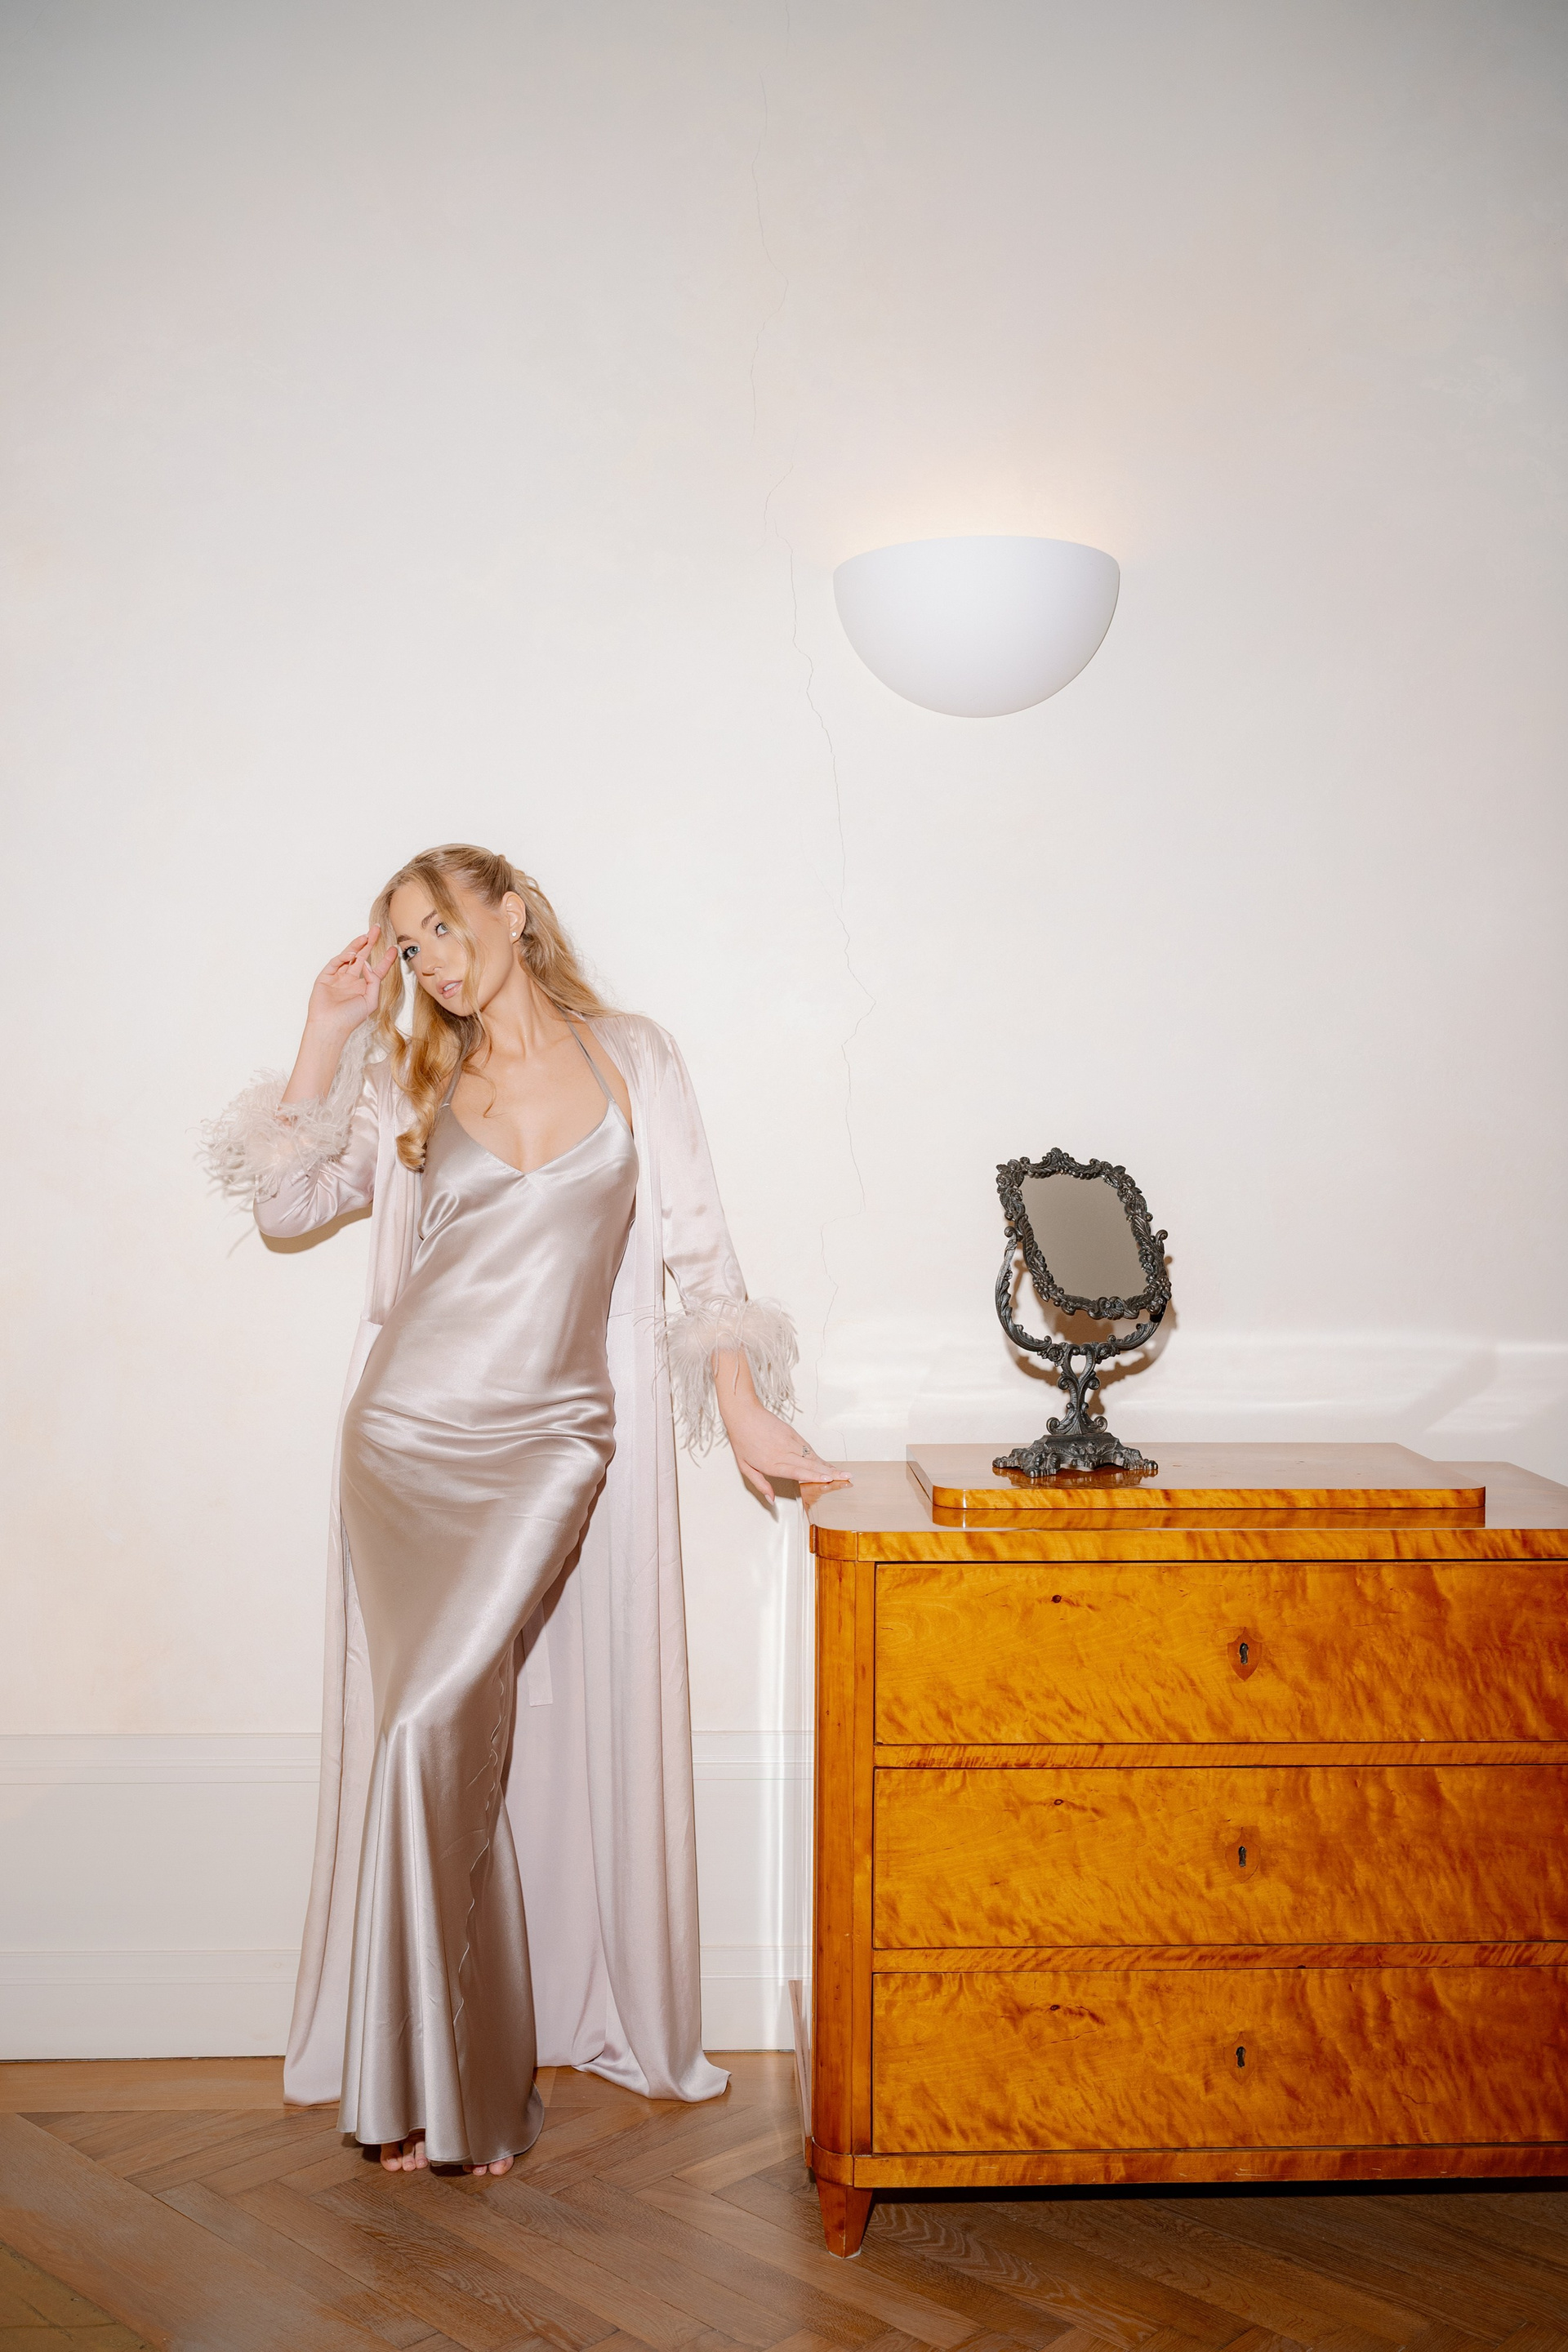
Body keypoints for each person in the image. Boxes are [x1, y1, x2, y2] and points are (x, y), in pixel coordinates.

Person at [203, 843, 844, 2177]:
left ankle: (447, 2082)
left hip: (554, 1439)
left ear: (513, 910)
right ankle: (438, 2086)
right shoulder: (412, 1078)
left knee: (436, 1723)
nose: (429, 962)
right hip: (404, 1438)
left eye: (442, 927)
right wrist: (325, 1032)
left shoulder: (634, 1058)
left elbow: (701, 1254)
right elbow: (287, 1206)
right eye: (407, 946)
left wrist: (742, 1406)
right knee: (426, 1734)